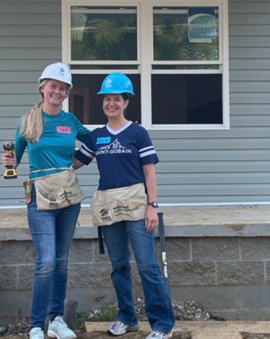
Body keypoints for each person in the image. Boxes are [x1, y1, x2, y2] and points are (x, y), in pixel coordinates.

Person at [73, 72, 174, 339]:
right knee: (119, 266)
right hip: (108, 206)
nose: (111, 103)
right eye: (107, 99)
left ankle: (162, 325)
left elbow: (150, 172)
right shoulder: (96, 137)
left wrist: (152, 205)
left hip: (137, 206)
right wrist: (46, 149)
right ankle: (127, 318)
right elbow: (74, 163)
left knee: (147, 265)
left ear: (126, 102)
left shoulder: (138, 133)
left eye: (117, 99)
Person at [1, 62, 89, 339]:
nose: (57, 91)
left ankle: (56, 321)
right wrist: (9, 161)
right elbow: (14, 158)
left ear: (67, 93)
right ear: (42, 87)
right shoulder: (27, 121)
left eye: (63, 88)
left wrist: (73, 166)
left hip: (68, 196)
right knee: (47, 261)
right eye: (53, 86)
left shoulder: (71, 121)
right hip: (39, 198)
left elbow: (95, 142)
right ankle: (37, 325)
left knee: (62, 260)